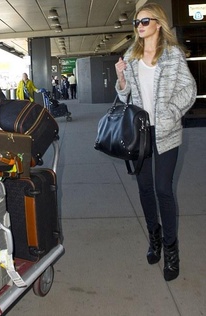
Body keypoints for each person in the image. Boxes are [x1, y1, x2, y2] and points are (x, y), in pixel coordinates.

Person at [115, 2, 196, 281]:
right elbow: (125, 97)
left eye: (144, 21)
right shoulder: (131, 55)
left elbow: (189, 89)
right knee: (145, 189)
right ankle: (155, 238)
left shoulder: (172, 56)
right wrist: (121, 79)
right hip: (141, 134)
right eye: (136, 22)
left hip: (167, 133)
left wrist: (172, 112)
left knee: (163, 189)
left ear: (158, 24)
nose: (139, 26)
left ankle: (172, 251)